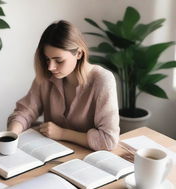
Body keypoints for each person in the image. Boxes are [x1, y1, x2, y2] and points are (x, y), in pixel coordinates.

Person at [7, 20, 120, 151]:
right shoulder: (46, 76)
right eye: (47, 59)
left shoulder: (102, 80)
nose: (50, 67)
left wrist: (62, 134)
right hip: (49, 154)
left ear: (79, 53)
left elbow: (108, 141)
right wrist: (11, 136)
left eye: (58, 60)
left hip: (86, 160)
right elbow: (25, 112)